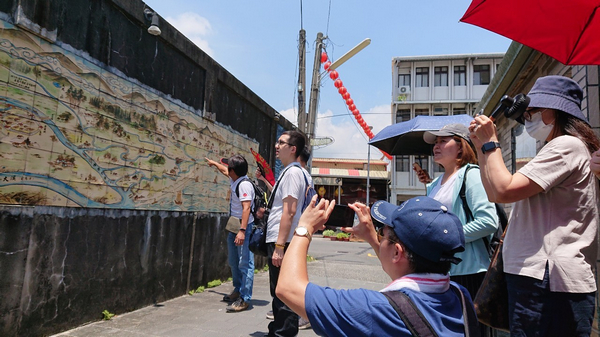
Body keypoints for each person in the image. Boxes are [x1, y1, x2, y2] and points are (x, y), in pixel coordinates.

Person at [469, 75, 600, 336]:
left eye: (533, 111)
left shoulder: (567, 145)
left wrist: (491, 144)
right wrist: (481, 147)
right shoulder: (556, 148)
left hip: (549, 278)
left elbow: (505, 189)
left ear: (555, 111)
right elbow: (495, 192)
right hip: (540, 277)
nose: (528, 117)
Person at [276, 195, 477, 336]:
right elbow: (402, 271)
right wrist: (374, 238)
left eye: (384, 234)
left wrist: (304, 227)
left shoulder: (374, 309)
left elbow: (288, 288)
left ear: (397, 252)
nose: (380, 237)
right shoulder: (460, 296)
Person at [418, 124, 498, 319]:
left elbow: (488, 221)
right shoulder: (434, 185)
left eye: (443, 141)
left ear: (461, 146)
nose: (436, 146)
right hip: (439, 271)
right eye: (435, 143)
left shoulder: (471, 175)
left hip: (469, 272)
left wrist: (447, 237)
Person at [266, 130, 309, 337]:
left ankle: (282, 333)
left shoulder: (292, 173)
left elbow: (289, 211)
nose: (276, 145)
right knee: (279, 291)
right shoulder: (292, 171)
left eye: (281, 142)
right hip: (283, 239)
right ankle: (278, 330)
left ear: (293, 149)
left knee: (282, 292)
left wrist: (280, 247)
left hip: (284, 240)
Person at [205, 155, 255, 312]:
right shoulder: (235, 179)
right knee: (234, 261)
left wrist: (242, 231)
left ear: (234, 171)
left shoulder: (245, 185)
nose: (227, 169)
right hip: (235, 224)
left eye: (229, 168)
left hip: (243, 226)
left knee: (245, 262)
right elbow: (223, 170)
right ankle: (237, 289)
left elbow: (246, 208)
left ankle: (245, 298)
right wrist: (213, 164)